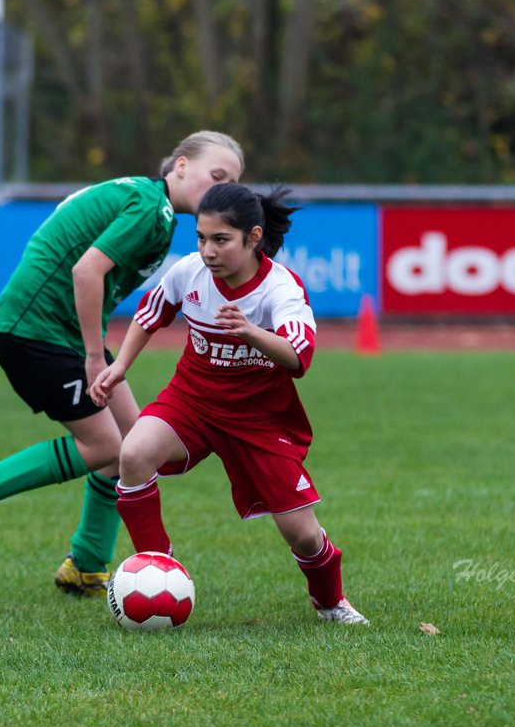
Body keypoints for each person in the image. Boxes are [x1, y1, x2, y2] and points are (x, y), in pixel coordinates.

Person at [0, 131, 245, 596]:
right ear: (180, 165)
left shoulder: (148, 203)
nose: (220, 191)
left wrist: (96, 349)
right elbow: (86, 271)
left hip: (61, 334)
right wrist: (95, 357)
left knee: (136, 443)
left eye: (230, 184)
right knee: (104, 447)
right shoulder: (149, 209)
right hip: (36, 332)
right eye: (215, 176)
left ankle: (87, 563)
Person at [88, 183, 369, 624]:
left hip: (260, 419)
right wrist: (120, 366)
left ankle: (331, 603)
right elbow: (149, 315)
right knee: (134, 453)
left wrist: (252, 332)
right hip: (192, 401)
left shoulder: (281, 288)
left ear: (253, 238)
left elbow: (299, 358)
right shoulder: (188, 273)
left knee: (303, 535)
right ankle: (158, 566)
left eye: (221, 240)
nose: (208, 251)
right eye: (201, 238)